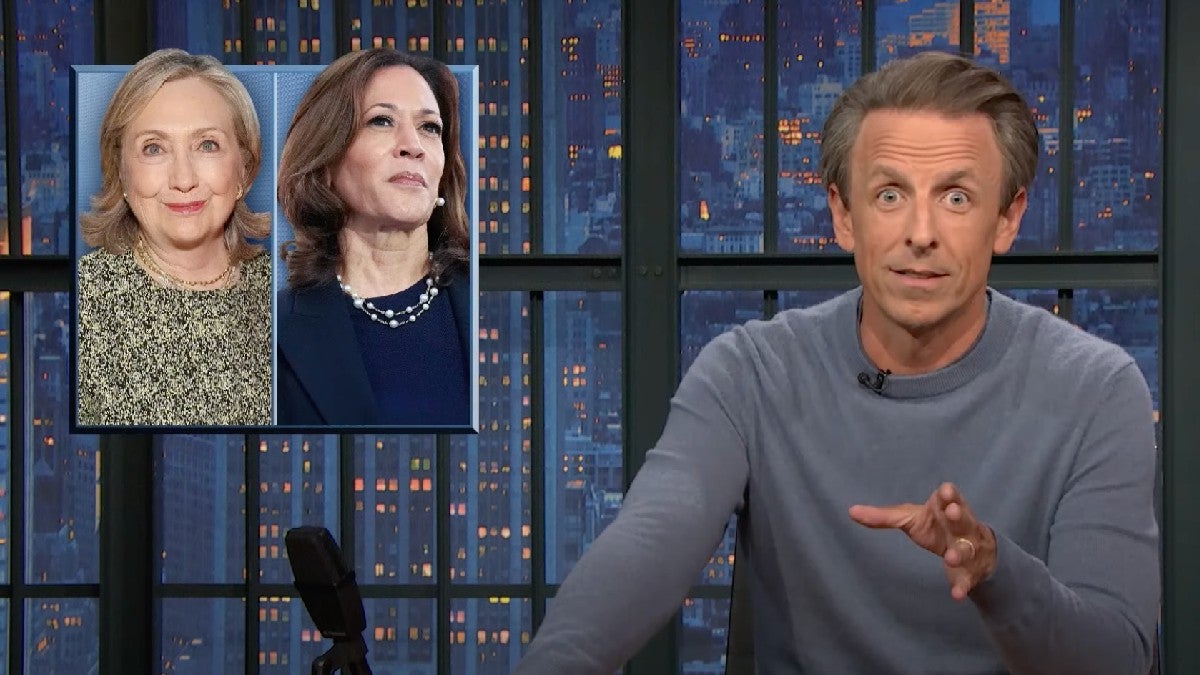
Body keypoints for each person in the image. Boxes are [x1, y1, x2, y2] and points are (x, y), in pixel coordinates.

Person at [516, 51, 1159, 674]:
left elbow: (1116, 659)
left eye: (956, 198)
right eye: (890, 195)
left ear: (1007, 218)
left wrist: (996, 571)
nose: (921, 233)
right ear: (843, 215)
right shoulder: (751, 374)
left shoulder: (1096, 390)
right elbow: (645, 548)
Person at [276, 49, 472, 427]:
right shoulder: (272, 334)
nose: (412, 145)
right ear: (326, 161)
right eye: (381, 121)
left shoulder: (488, 298)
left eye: (429, 128)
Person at [76, 48, 271, 427]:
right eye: (154, 148)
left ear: (244, 170)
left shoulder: (289, 293)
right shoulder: (85, 300)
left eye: (207, 145)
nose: (184, 179)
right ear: (120, 172)